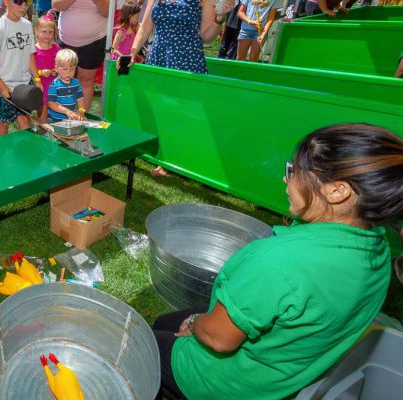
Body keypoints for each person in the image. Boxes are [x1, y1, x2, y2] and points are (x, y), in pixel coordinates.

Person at [152, 123, 403, 399]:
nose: (286, 179)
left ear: (337, 191)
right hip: (282, 377)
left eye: (294, 171)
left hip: (224, 381)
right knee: (164, 322)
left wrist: (195, 320)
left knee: (145, 345)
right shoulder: (378, 246)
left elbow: (219, 339)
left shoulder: (278, 262)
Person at [126, 0, 233, 176]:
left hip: (187, 60)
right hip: (160, 58)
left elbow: (206, 36)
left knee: (181, 112)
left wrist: (219, 18)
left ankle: (174, 159)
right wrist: (132, 52)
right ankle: (164, 153)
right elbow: (144, 28)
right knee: (161, 108)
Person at [0, 0, 41, 135]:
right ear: (6, 2)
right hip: (6, 86)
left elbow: (30, 54)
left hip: (24, 85)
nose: (23, 7)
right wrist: (2, 87)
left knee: (24, 119)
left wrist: (37, 79)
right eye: (18, 2)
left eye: (27, 2)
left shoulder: (27, 25)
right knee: (4, 122)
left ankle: (25, 151)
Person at [52, 0, 108, 111]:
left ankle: (82, 116)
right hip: (66, 39)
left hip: (94, 40)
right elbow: (56, 5)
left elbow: (107, 12)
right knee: (63, 79)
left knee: (86, 80)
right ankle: (61, 118)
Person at [33, 12, 59, 122]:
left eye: (50, 32)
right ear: (36, 31)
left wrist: (56, 70)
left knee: (56, 111)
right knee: (42, 110)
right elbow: (29, 69)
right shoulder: (33, 50)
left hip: (54, 85)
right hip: (41, 85)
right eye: (44, 31)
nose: (47, 35)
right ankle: (41, 128)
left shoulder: (57, 49)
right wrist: (40, 72)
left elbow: (62, 64)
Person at [47, 48, 85, 122]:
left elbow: (80, 99)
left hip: (70, 119)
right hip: (54, 120)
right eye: (65, 69)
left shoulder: (76, 83)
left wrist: (81, 111)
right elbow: (51, 103)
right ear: (56, 68)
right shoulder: (54, 85)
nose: (69, 72)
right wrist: (67, 111)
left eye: (72, 69)